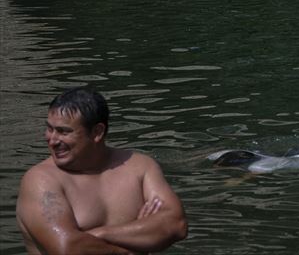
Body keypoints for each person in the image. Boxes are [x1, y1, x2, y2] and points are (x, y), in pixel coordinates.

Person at [16, 87, 188, 255]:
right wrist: (136, 241)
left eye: (63, 132)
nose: (52, 140)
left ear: (97, 132)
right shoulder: (41, 180)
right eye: (49, 128)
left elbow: (176, 224)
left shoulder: (140, 167)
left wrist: (100, 234)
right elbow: (67, 248)